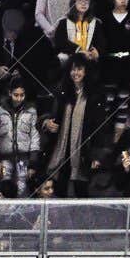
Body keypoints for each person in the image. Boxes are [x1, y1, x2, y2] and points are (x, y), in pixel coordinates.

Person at [43, 54, 105, 196]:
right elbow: (47, 115)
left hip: (83, 151)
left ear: (86, 71)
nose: (75, 73)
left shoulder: (95, 95)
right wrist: (46, 123)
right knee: (59, 190)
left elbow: (100, 127)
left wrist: (96, 155)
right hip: (61, 150)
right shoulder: (62, 91)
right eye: (72, 69)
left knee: (81, 191)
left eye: (79, 69)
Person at [0, 75, 40, 197]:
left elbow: (35, 137)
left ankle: (19, 209)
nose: (19, 98)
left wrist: (33, 162)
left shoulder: (31, 111)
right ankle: (6, 208)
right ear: (9, 93)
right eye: (15, 95)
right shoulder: (0, 111)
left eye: (22, 95)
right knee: (4, 186)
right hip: (4, 157)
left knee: (22, 186)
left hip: (23, 158)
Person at [98, 0, 130, 98]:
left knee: (125, 97)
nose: (123, 1)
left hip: (129, 63)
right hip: (110, 63)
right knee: (109, 96)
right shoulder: (105, 18)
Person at [54, 0, 105, 71]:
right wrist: (79, 50)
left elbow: (101, 42)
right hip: (69, 62)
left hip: (89, 62)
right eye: (80, 0)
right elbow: (60, 42)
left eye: (86, 0)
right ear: (73, 3)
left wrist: (97, 51)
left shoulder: (96, 23)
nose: (83, 3)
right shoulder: (64, 22)